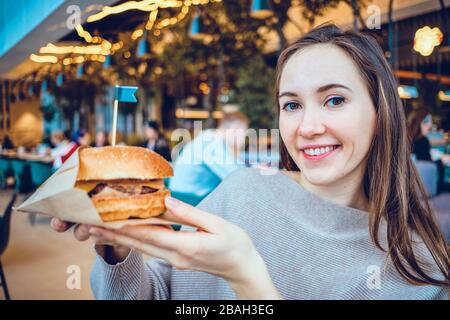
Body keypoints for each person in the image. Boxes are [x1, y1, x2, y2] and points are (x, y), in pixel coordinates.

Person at [51, 24, 449, 299]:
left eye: (334, 100)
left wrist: (248, 279)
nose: (307, 127)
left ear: (381, 111)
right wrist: (118, 251)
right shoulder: (245, 190)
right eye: (292, 104)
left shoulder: (426, 275)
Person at [168, 111, 249, 202]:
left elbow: (236, 167)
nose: (243, 139)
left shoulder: (211, 138)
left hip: (185, 195)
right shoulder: (211, 144)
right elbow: (236, 177)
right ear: (236, 130)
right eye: (244, 133)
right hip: (189, 199)